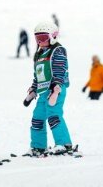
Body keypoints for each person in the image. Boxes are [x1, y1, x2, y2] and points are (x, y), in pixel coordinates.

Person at [23, 22, 73, 157]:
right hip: (43, 92)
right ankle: (38, 147)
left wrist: (56, 87)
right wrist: (33, 90)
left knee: (54, 115)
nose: (40, 41)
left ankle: (64, 144)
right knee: (37, 118)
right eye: (37, 38)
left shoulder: (58, 50)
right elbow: (38, 75)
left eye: (43, 38)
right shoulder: (39, 54)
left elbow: (59, 70)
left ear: (53, 36)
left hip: (56, 89)